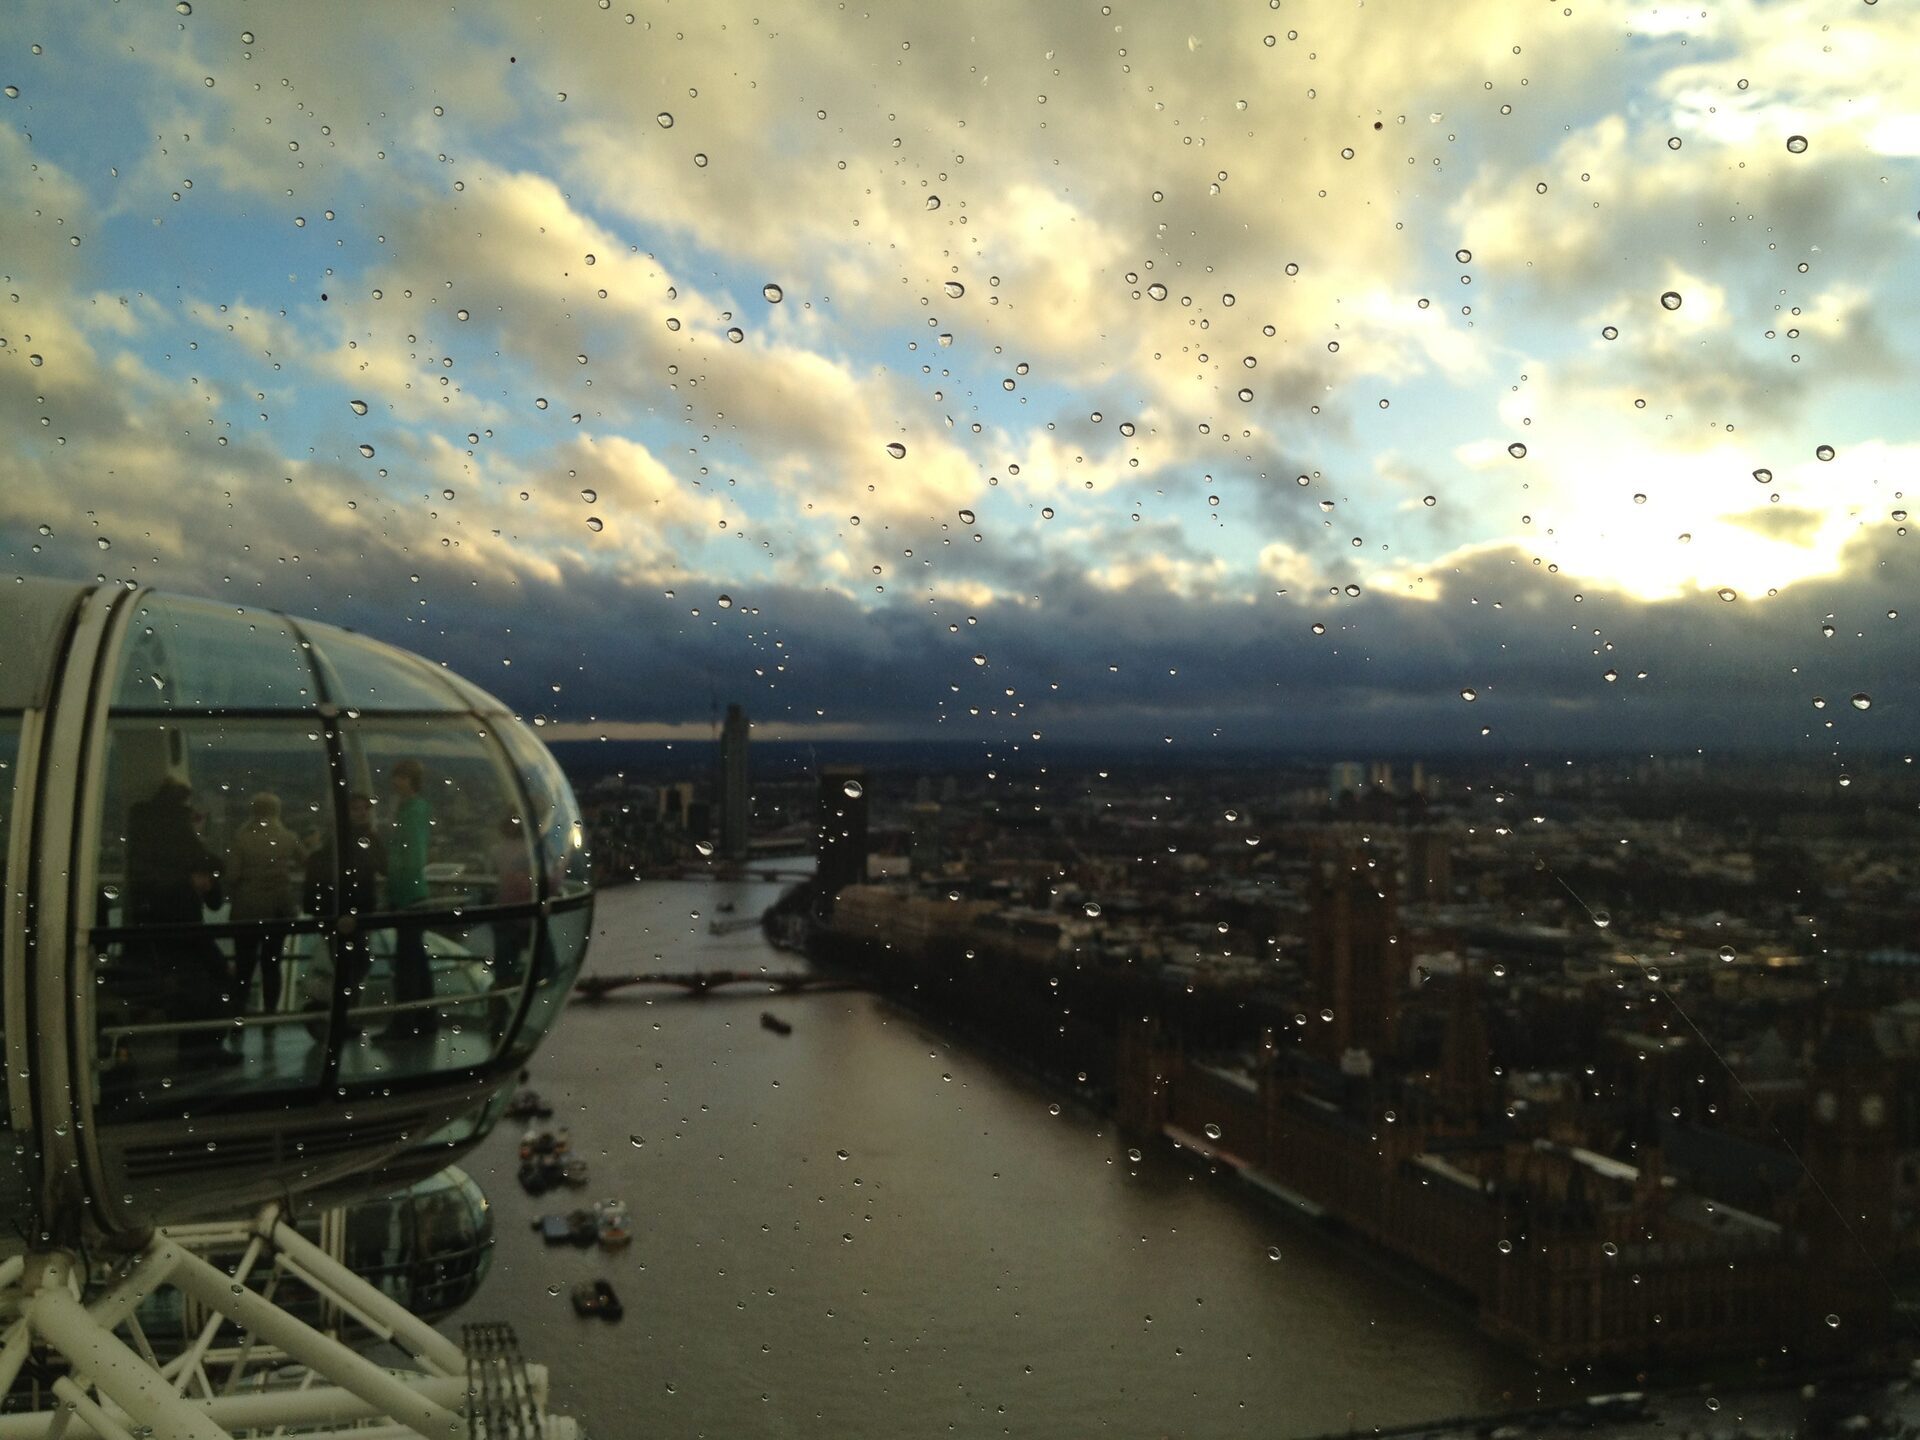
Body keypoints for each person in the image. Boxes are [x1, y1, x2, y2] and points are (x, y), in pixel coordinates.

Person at [123, 775, 237, 1067]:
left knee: (193, 993)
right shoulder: (178, 834)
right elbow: (196, 930)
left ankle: (194, 1053)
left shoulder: (143, 834)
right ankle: (203, 1051)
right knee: (210, 990)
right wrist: (220, 962)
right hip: (181, 947)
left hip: (154, 943)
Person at [227, 792, 303, 1024]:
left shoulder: (241, 838)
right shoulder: (288, 837)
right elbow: (306, 860)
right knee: (272, 964)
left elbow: (232, 875)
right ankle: (270, 1017)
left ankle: (238, 1017)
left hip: (247, 910)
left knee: (244, 966)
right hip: (278, 910)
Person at [385, 759, 434, 1038]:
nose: (396, 782)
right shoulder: (412, 808)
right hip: (413, 892)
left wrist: (396, 885)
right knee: (416, 960)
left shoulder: (412, 810)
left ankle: (404, 1024)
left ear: (411, 780)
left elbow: (411, 855)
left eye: (401, 777)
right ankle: (425, 1020)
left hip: (407, 895)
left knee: (407, 962)